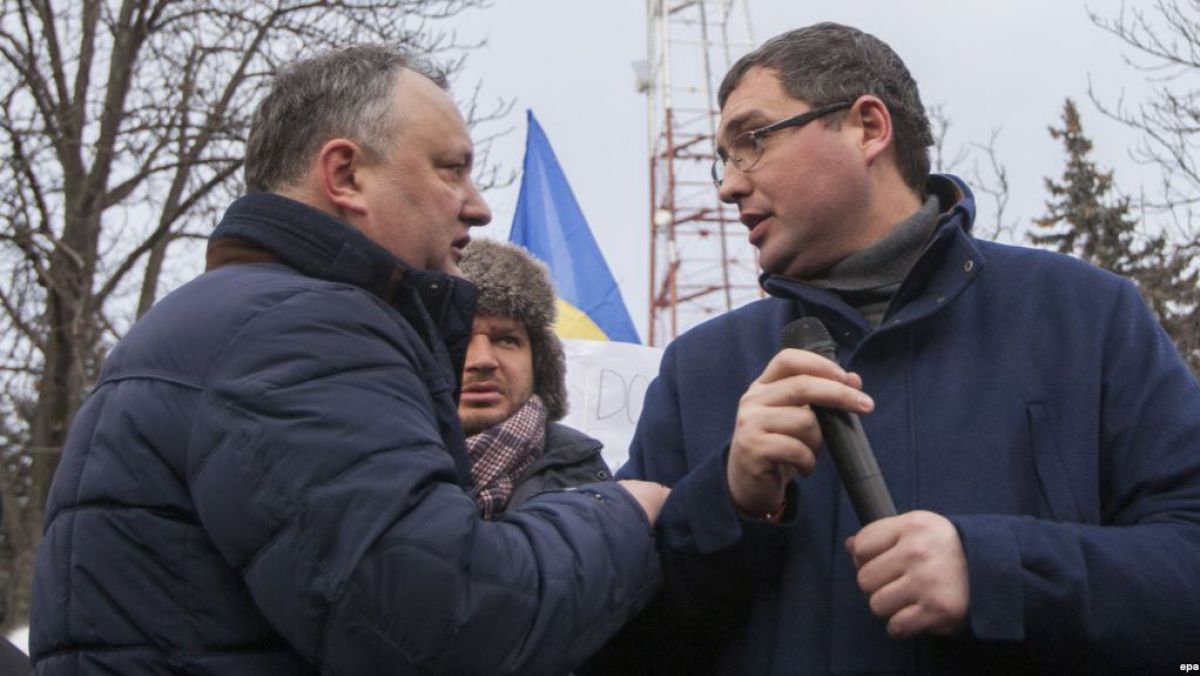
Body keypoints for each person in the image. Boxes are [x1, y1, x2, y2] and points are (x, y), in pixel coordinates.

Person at [29, 45, 668, 675]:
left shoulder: (227, 321)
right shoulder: (302, 331)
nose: (478, 206)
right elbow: (442, 621)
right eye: (451, 169)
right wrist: (621, 512)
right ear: (345, 175)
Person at [595, 22, 1200, 674]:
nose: (727, 186)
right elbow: (614, 642)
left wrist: (996, 572)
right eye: (725, 157)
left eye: (754, 140)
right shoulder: (698, 370)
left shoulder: (1085, 316)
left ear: (868, 128)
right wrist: (728, 501)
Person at [456, 239, 611, 519]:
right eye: (458, 339)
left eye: (506, 340)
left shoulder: (584, 476)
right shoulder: (374, 468)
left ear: (539, 363)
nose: (483, 360)